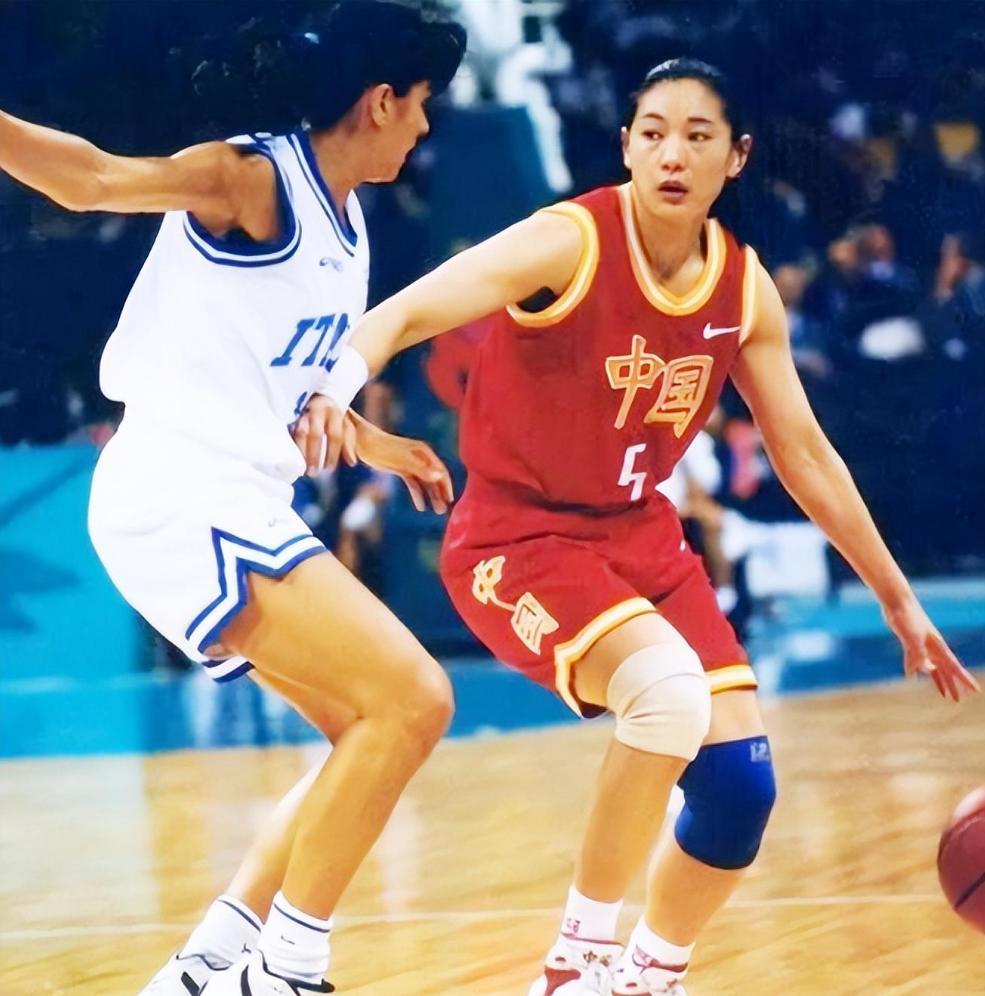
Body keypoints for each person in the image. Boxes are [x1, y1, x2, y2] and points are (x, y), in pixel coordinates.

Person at [309, 58, 980, 996]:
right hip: (515, 538)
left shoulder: (742, 290)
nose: (672, 154)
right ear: (625, 145)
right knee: (664, 695)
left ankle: (647, 976)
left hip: (639, 538)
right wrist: (334, 388)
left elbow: (804, 454)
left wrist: (896, 599)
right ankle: (575, 965)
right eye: (653, 133)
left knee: (738, 788)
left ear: (735, 157)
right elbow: (408, 310)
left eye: (697, 137)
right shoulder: (568, 240)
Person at [0, 3, 466, 995]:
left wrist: (370, 438)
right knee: (415, 699)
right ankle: (286, 969)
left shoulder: (347, 225)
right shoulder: (252, 176)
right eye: (424, 103)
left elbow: (282, 386)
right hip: (179, 484)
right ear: (381, 101)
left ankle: (213, 959)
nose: (427, 126)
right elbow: (89, 180)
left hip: (228, 492)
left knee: (366, 725)